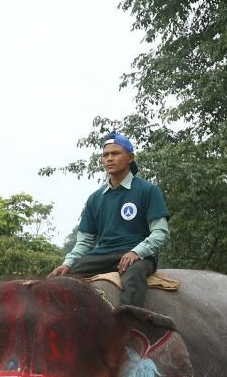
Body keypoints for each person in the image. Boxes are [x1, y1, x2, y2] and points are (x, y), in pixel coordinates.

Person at [48, 131, 170, 308]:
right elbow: (85, 241)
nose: (109, 158)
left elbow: (160, 232)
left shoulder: (148, 190)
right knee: (65, 279)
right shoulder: (95, 198)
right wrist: (68, 263)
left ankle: (131, 324)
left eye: (115, 153)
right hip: (102, 255)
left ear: (130, 157)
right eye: (105, 155)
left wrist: (137, 252)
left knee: (134, 276)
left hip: (136, 256)